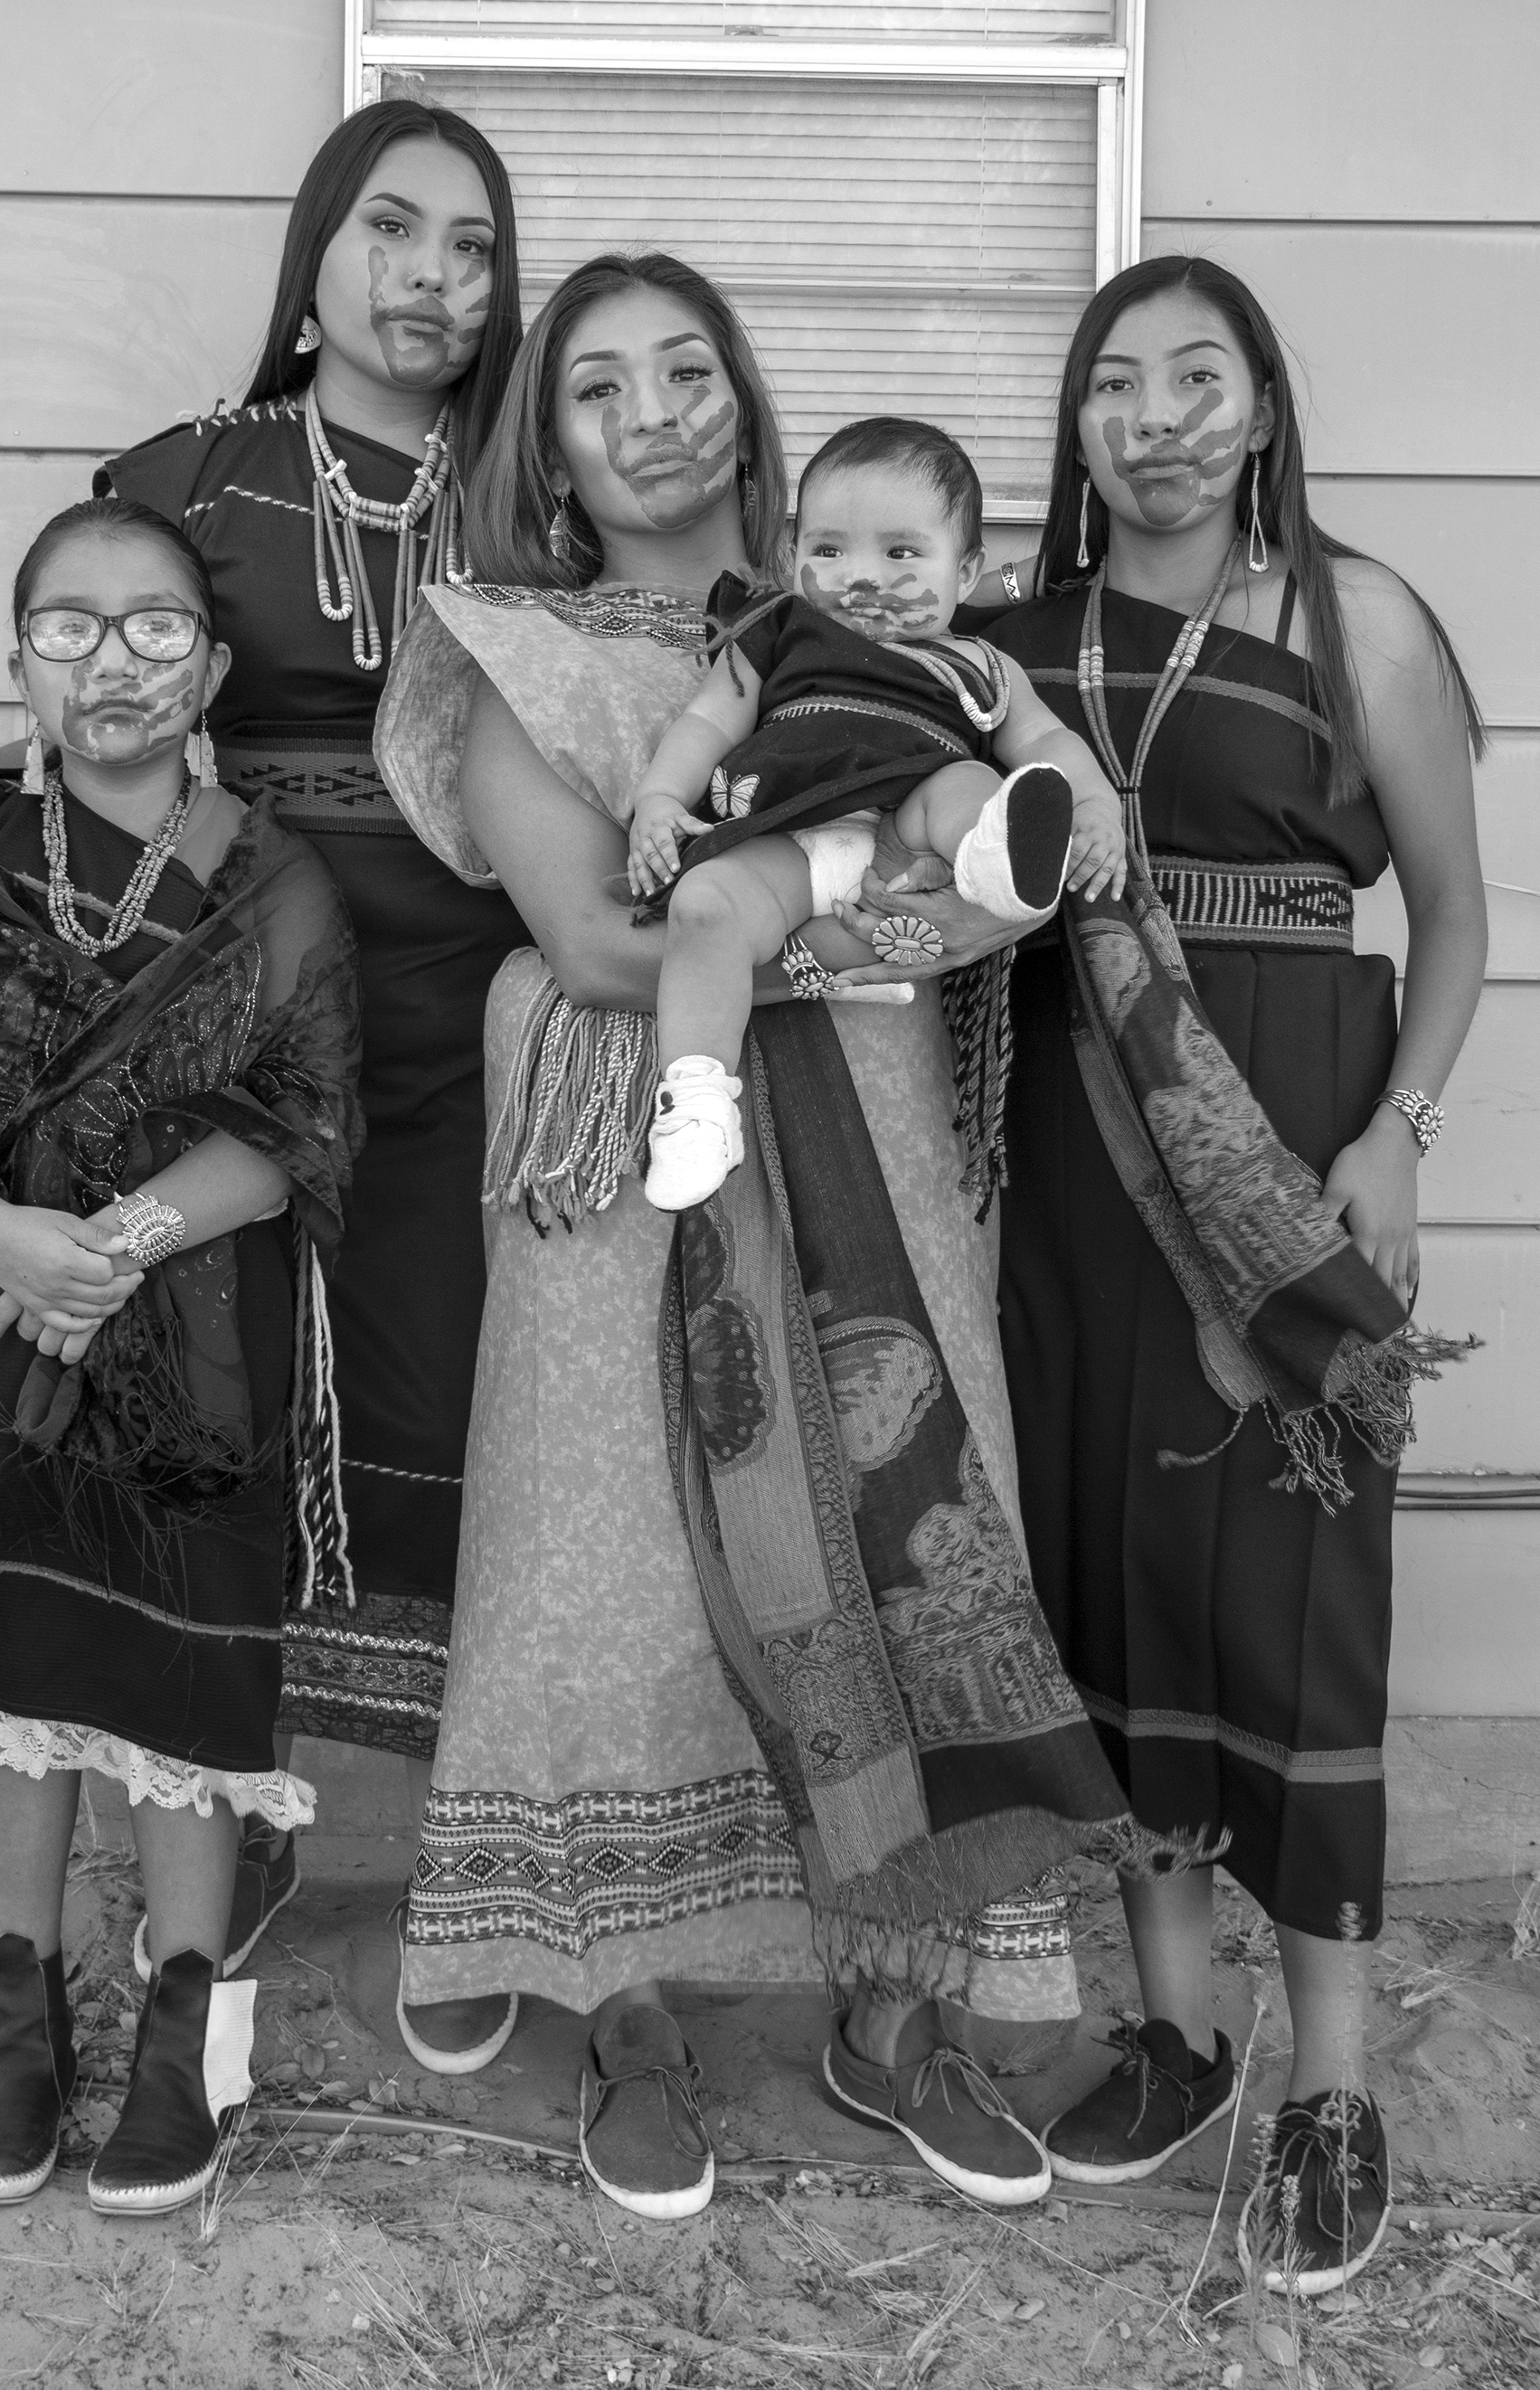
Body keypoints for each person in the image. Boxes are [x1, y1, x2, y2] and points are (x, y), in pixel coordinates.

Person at [374, 251, 1149, 2223]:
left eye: (690, 368)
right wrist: (908, 921)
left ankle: (894, 2012)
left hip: (885, 1128)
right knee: (610, 1544)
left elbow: (1043, 812)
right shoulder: (517, 652)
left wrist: (1038, 837)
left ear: (745, 393)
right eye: (596, 387)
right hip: (630, 1132)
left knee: (908, 1517)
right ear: (541, 440)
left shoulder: (881, 615)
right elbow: (602, 941)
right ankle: (619, 2001)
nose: (655, 412)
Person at [0, 99, 528, 2064]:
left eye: (473, 247)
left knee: (434, 1417)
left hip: (477, 1005)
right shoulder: (199, 474)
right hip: (209, 983)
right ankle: (211, 1817)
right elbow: (105, 668)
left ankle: (459, 1858)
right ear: (314, 254)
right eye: (391, 230)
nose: (432, 278)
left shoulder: (525, 494)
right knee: (197, 1407)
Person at [925, 255, 1487, 2296]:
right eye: (1112, 386)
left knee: (1300, 1597)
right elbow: (795, 712)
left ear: (1259, 410)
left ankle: (1331, 2084)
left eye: (1196, 379)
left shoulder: (1365, 621)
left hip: (1293, 1147)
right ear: (1076, 427)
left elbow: (1451, 922)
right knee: (1110, 1570)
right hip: (1074, 1156)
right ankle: (1175, 2030)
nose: (1150, 417)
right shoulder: (1006, 644)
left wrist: (1393, 1144)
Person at [0, 496, 362, 2214]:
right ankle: (17, 2008)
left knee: (170, 1686)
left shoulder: (277, 877)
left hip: (190, 1329)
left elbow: (301, 1116)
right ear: (19, 663)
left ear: (205, 665)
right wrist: (5, 1239)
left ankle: (188, 2019)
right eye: (69, 626)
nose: (109, 659)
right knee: (10, 1678)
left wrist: (105, 1253)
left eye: (150, 628)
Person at [622, 414, 1126, 1210]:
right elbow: (710, 721)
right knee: (704, 906)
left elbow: (1050, 740)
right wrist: (659, 799)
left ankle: (1001, 865)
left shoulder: (980, 663)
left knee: (968, 787)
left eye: (901, 553)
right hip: (788, 836)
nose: (862, 578)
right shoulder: (779, 631)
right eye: (828, 550)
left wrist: (1097, 808)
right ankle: (697, 1101)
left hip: (910, 834)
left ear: (966, 572)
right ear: (792, 559)